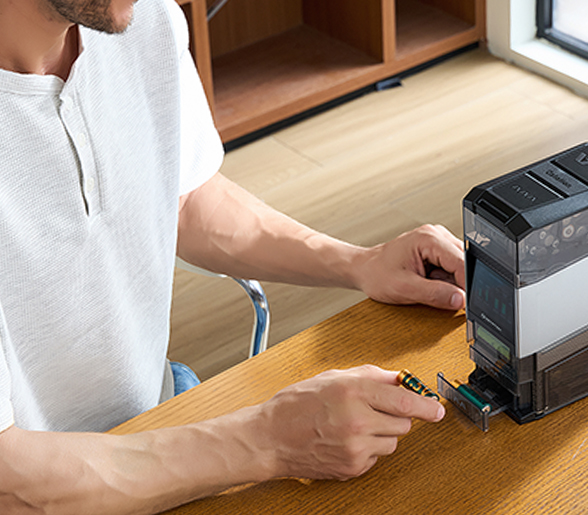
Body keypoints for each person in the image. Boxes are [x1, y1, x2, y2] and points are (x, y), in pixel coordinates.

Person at [0, 0, 466, 512]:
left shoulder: (142, 19)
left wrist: (359, 262)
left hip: (158, 416)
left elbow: (185, 199)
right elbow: (14, 481)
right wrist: (269, 440)